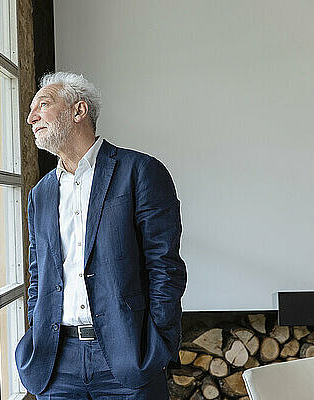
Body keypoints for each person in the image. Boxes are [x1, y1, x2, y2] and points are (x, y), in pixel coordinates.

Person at [15, 72, 187, 399]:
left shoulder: (140, 172)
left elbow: (165, 267)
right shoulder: (41, 193)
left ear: (79, 111)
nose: (30, 117)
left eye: (43, 105)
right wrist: (36, 331)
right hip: (56, 363)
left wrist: (158, 343)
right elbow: (38, 275)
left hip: (128, 359)